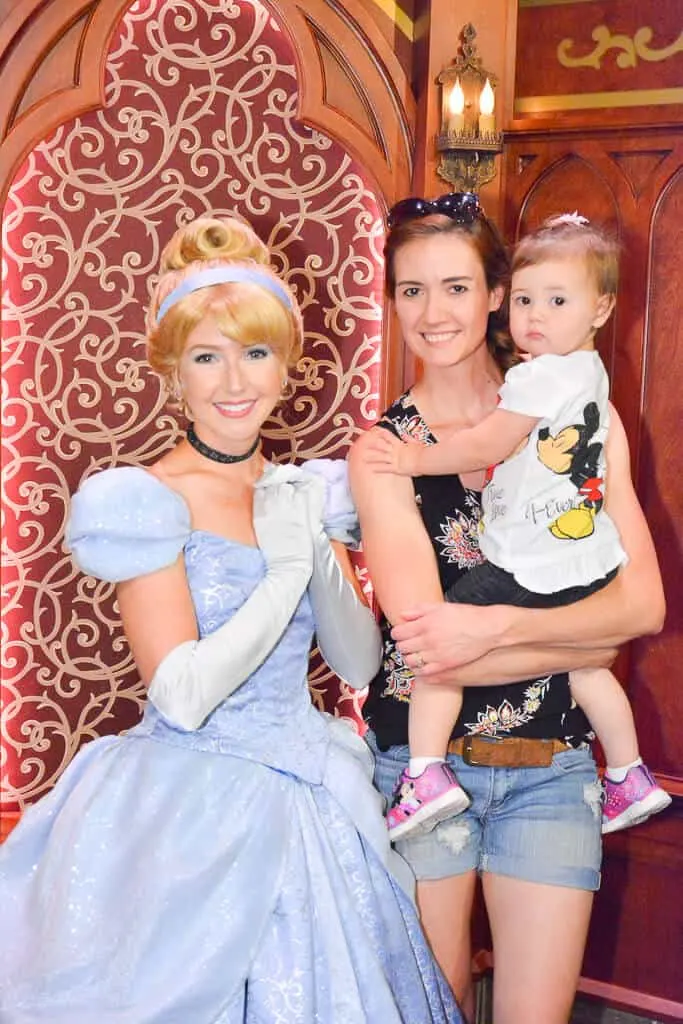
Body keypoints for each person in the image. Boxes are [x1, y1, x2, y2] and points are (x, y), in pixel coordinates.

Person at [0, 215, 461, 1022]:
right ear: (173, 373)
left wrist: (315, 546)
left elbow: (355, 664)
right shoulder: (144, 501)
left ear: (285, 365)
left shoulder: (305, 492)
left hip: (309, 791)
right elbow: (180, 697)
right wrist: (285, 573)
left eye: (254, 353)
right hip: (186, 803)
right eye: (205, 357)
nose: (233, 381)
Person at [348, 192, 665, 1023]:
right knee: (434, 1007)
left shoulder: (576, 416)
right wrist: (577, 643)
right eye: (409, 290)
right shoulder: (385, 452)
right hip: (425, 766)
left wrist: (497, 625)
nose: (431, 311)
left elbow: (642, 604)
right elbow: (429, 647)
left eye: (454, 286)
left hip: (550, 766)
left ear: (496, 293)